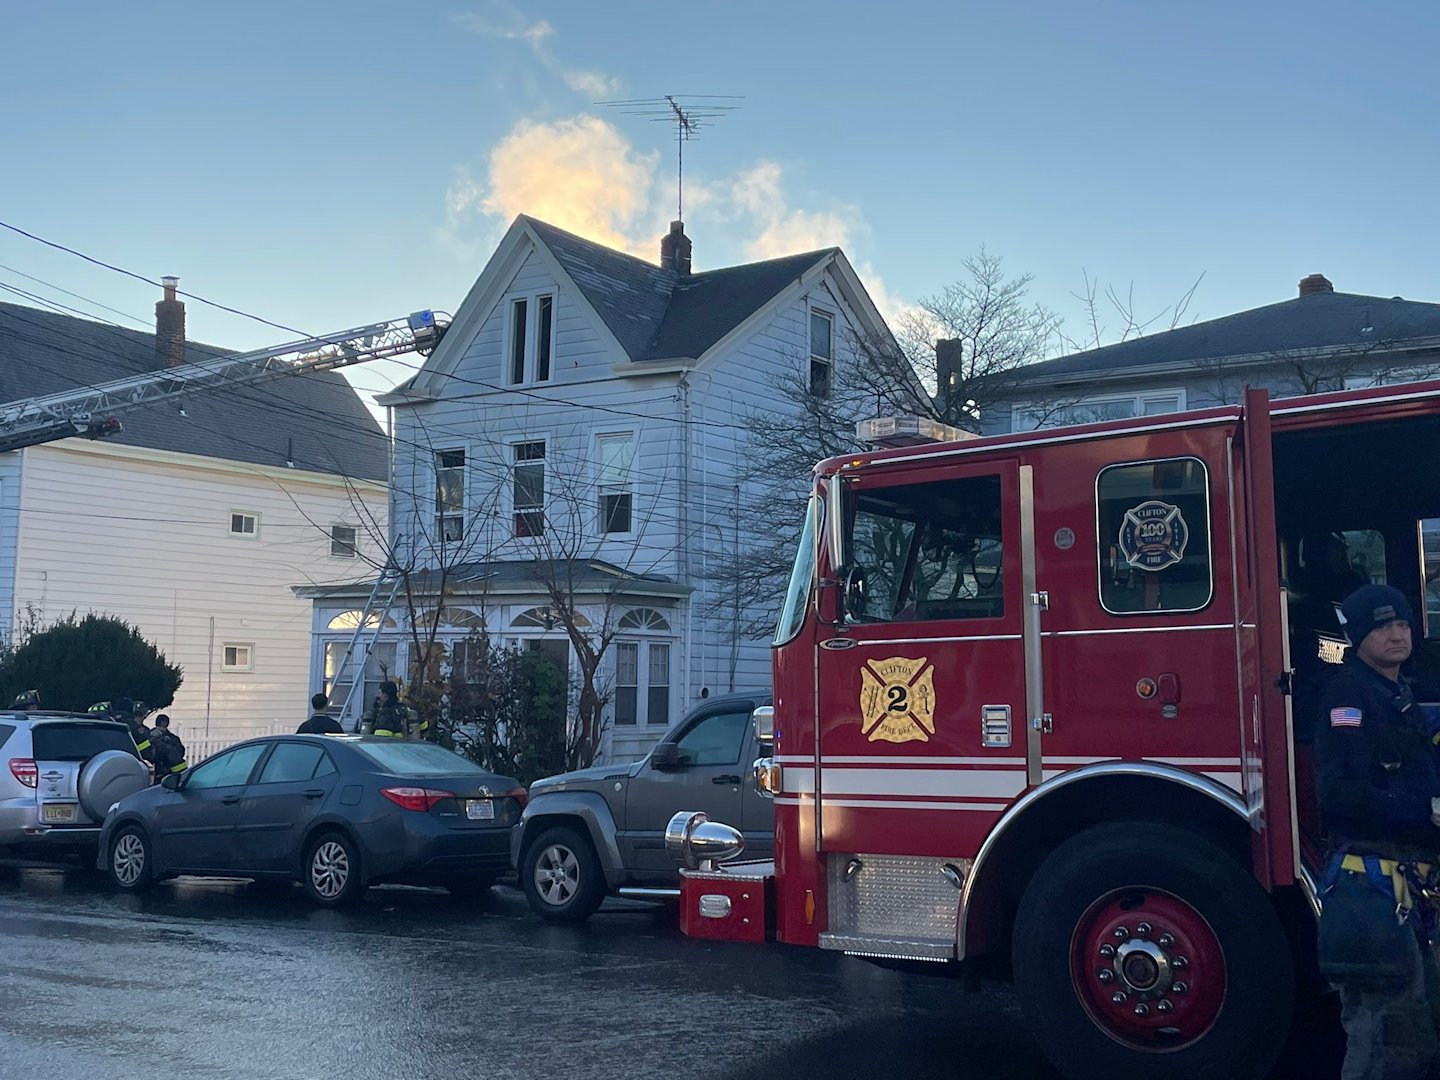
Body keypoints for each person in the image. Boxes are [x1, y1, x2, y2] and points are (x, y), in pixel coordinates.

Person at [1314, 583, 1440, 1079]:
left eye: (1404, 624)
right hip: (1370, 890)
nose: (1397, 635)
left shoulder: (1397, 692)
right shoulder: (1347, 694)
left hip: (1408, 887)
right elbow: (1339, 792)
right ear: (1360, 636)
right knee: (1384, 1033)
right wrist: (1426, 809)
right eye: (1383, 626)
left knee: (1416, 1027)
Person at [112, 697, 157, 770]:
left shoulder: (108, 722)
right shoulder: (133, 726)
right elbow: (146, 750)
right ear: (131, 709)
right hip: (129, 765)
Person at [149, 714, 188, 779]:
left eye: (164, 726)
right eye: (160, 726)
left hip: (170, 772)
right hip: (155, 772)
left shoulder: (173, 739)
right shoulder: (149, 737)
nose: (162, 729)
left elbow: (180, 752)